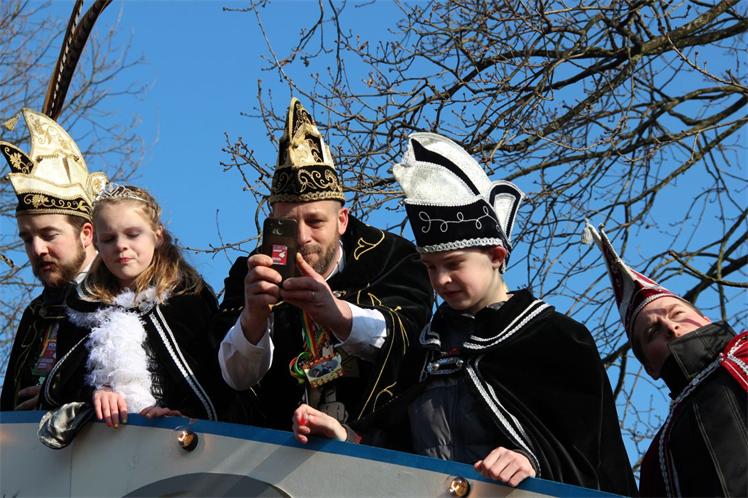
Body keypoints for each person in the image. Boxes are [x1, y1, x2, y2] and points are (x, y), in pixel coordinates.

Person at [292, 133, 637, 495]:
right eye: (430, 267)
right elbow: (400, 449)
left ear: (496, 256)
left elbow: (590, 457)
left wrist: (531, 462)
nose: (441, 280)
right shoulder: (426, 352)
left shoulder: (559, 339)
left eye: (454, 264)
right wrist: (346, 437)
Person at [216, 98, 433, 430]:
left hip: (375, 448)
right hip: (276, 450)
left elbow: (414, 341)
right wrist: (253, 318)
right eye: (289, 223)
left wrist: (340, 315)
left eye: (315, 222)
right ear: (273, 221)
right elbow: (233, 380)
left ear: (342, 220)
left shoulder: (392, 258)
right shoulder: (251, 275)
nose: (303, 237)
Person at [38, 184, 234, 427]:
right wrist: (96, 393)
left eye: (132, 234)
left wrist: (180, 412)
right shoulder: (81, 309)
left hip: (174, 436)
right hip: (100, 438)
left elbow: (210, 375)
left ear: (158, 236)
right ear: (96, 244)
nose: (120, 245)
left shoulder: (188, 298)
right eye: (109, 239)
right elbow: (66, 384)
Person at [585, 222, 747, 497]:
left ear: (705, 319)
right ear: (649, 368)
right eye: (653, 332)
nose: (671, 327)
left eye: (677, 314)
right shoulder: (658, 459)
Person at [1, 109, 107, 411]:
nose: (37, 249)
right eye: (27, 238)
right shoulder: (36, 312)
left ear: (86, 233)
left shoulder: (124, 296)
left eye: (49, 235)